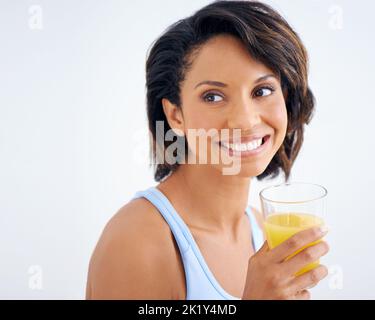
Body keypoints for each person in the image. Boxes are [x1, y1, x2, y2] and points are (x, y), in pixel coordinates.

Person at [86, 0, 329, 300]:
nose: (245, 120)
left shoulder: (263, 231)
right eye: (213, 96)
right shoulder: (139, 241)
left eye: (262, 91)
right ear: (176, 115)